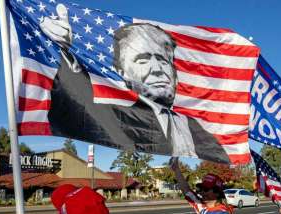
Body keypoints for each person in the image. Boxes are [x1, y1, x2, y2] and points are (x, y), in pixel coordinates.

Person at [39, 4, 229, 163]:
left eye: (163, 60)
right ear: (121, 71)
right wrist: (65, 51)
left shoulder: (194, 126)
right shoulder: (116, 117)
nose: (157, 68)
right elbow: (73, 111)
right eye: (143, 59)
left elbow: (225, 155)